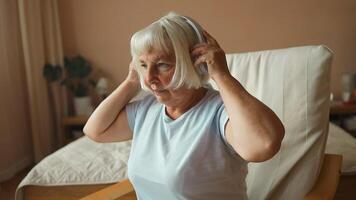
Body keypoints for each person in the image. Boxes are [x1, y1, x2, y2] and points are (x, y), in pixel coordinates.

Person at [83, 12, 285, 200]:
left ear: (195, 62)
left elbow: (263, 145)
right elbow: (94, 131)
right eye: (144, 65)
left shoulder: (219, 112)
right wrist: (131, 81)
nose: (150, 78)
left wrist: (221, 75)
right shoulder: (146, 109)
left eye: (163, 64)